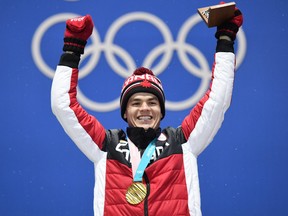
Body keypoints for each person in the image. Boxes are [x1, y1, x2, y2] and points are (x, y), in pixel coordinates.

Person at [51, 4, 243, 216]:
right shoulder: (105, 146)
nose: (145, 108)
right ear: (124, 112)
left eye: (152, 102)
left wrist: (225, 41)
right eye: (135, 103)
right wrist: (72, 49)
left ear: (161, 111)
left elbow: (217, 100)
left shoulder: (183, 141)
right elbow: (63, 105)